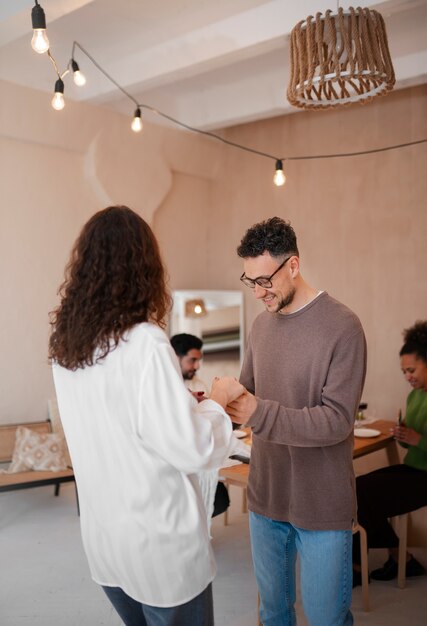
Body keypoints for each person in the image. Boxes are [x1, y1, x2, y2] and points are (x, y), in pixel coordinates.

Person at [48, 205, 244, 626]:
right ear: (144, 267)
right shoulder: (146, 342)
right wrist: (217, 400)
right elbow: (192, 448)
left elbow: (117, 426)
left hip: (105, 540)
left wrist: (181, 404)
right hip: (159, 546)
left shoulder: (67, 351)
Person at [227, 216, 367, 626]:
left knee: (326, 618)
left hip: (322, 501)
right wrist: (215, 400)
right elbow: (248, 391)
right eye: (250, 281)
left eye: (265, 280)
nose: (258, 293)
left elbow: (337, 422)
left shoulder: (343, 326)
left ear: (293, 265)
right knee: (273, 613)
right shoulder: (260, 326)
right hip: (266, 494)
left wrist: (259, 412)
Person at [353, 320, 427, 584]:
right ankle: (399, 559)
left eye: (411, 370)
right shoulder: (414, 395)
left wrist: (418, 439)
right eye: (404, 372)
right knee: (355, 488)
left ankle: (388, 561)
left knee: (361, 494)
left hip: (424, 476)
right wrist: (404, 436)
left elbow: (421, 441)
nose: (407, 376)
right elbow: (413, 444)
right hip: (414, 469)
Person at [170, 332, 230, 518]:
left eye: (198, 360)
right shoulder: (166, 388)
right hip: (176, 462)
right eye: (192, 360)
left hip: (189, 452)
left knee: (219, 494)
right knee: (218, 497)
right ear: (175, 356)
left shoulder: (182, 386)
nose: (196, 366)